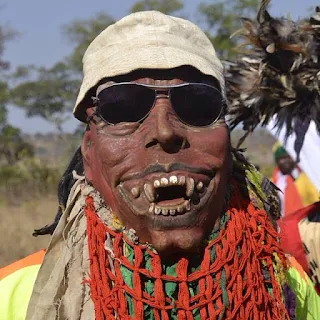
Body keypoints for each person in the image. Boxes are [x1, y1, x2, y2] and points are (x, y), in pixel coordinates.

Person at [1, 10, 319, 320]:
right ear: (89, 153)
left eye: (198, 104)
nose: (165, 132)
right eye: (123, 106)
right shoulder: (17, 297)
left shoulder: (285, 286)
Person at [271, 142, 319, 217]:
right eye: (282, 158)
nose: (285, 161)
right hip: (284, 224)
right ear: (277, 161)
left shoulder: (306, 177)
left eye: (288, 157)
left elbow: (315, 200)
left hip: (307, 222)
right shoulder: (272, 182)